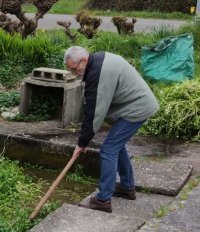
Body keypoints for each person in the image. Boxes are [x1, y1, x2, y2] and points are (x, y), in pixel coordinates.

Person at [65, 46, 159, 213]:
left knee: (108, 149)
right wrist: (84, 140)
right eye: (71, 70)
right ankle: (126, 187)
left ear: (84, 60)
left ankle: (102, 200)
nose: (74, 73)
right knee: (116, 144)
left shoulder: (98, 73)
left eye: (74, 69)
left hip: (137, 108)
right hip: (135, 105)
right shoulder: (98, 61)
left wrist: (82, 142)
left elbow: (93, 112)